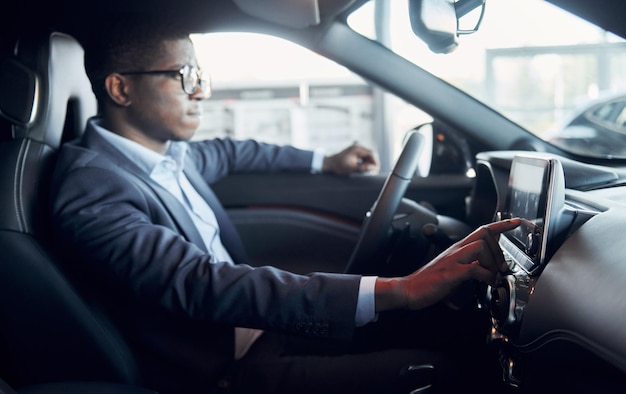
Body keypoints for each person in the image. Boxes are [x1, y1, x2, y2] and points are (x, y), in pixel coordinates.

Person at [50, 15, 520, 394]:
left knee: (439, 334)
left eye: (201, 75)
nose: (200, 91)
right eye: (183, 76)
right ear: (120, 89)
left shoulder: (169, 155)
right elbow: (200, 283)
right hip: (222, 369)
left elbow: (236, 151)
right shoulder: (91, 188)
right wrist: (398, 289)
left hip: (257, 330)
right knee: (442, 372)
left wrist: (326, 160)